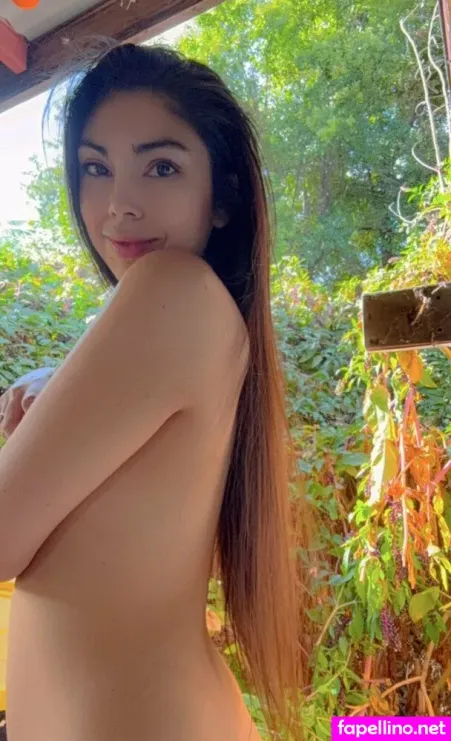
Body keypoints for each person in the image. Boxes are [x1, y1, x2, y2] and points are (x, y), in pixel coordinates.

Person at [0, 42, 309, 741]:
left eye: (160, 166)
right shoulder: (192, 313)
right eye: (96, 168)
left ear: (222, 197)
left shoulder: (172, 289)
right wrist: (58, 380)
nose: (119, 204)